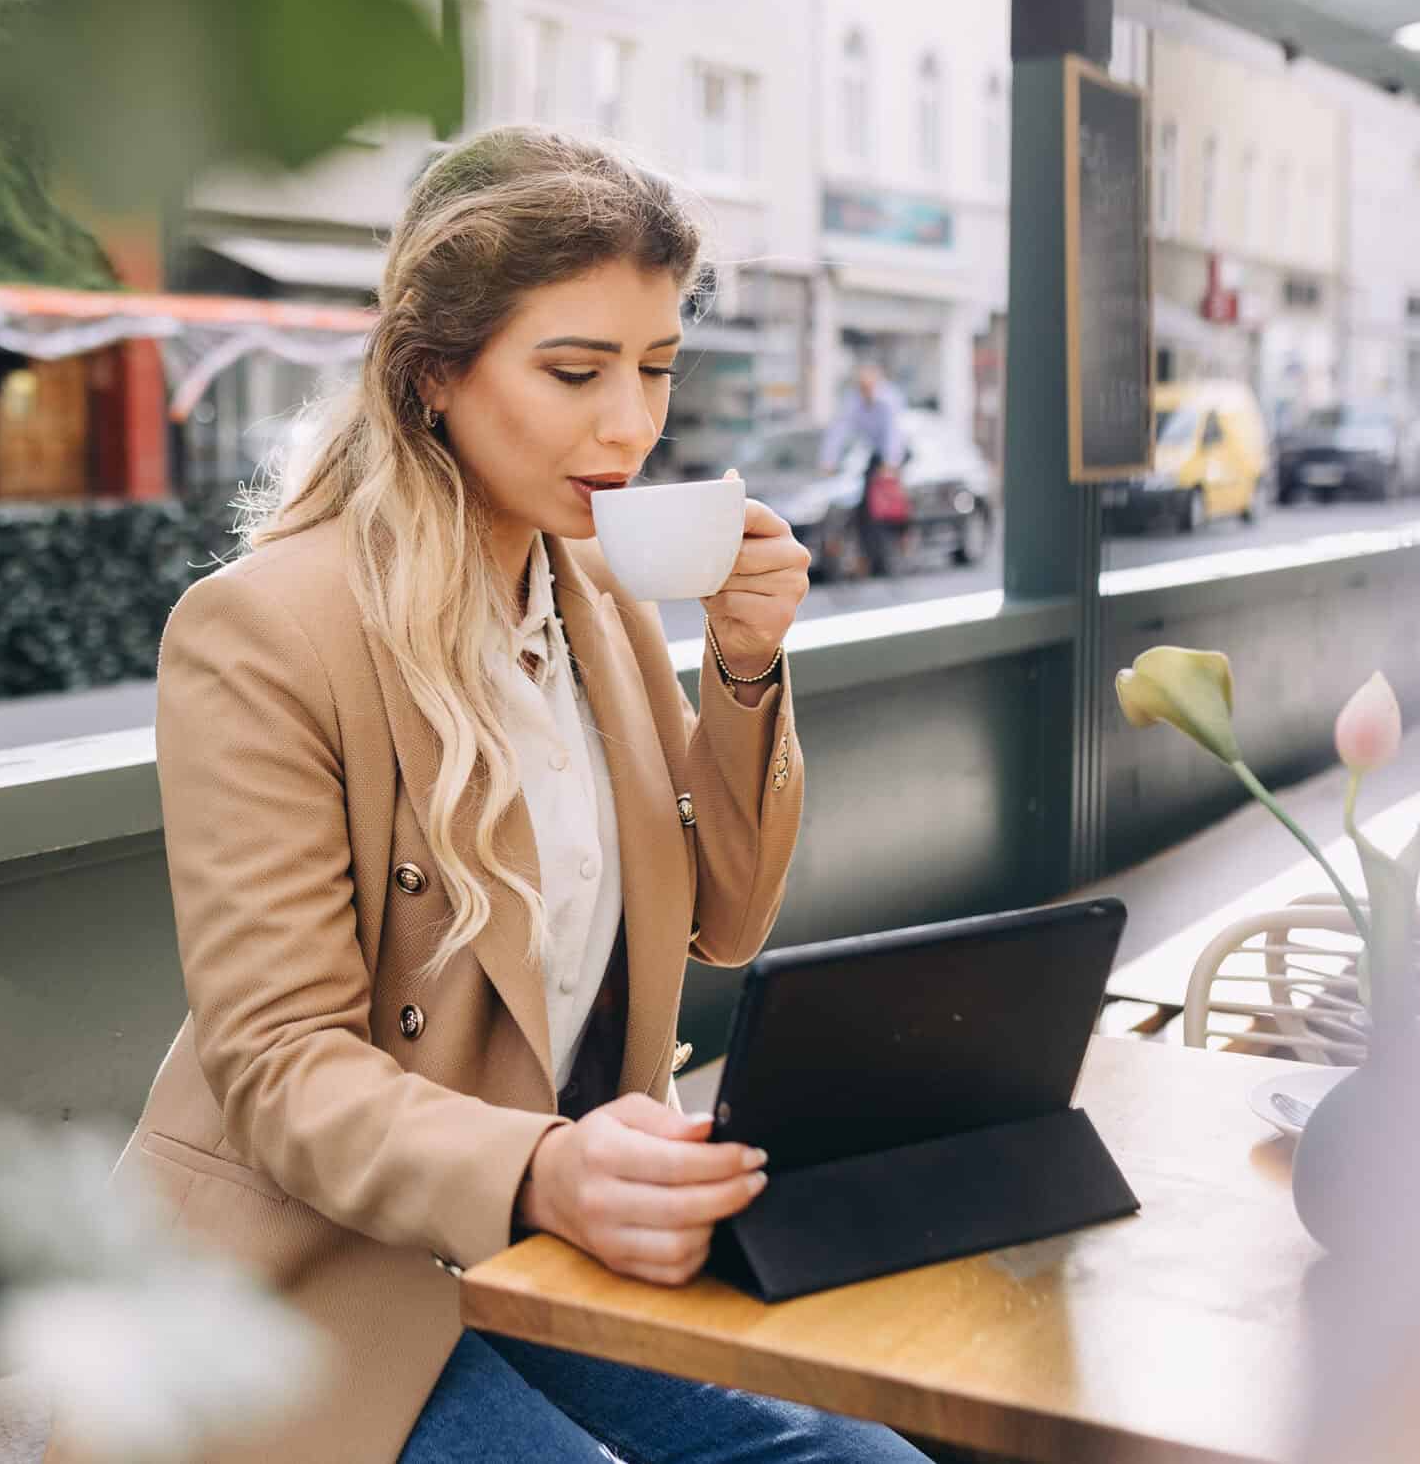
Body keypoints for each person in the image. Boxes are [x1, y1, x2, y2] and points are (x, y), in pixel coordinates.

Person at [81, 128, 925, 1464]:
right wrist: (540, 1166)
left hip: (543, 1248)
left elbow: (729, 918)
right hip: (318, 1275)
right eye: (576, 370)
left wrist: (749, 671)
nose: (632, 425)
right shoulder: (263, 632)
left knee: (863, 1455)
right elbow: (279, 1063)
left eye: (656, 369)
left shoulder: (596, 596)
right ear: (433, 377)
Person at [818, 363, 908, 579]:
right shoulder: (853, 402)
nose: (865, 391)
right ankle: (867, 555)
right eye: (861, 387)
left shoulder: (889, 400)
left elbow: (893, 433)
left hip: (897, 451)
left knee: (897, 495)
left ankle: (904, 534)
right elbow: (839, 431)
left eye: (868, 386)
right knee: (864, 501)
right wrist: (828, 460)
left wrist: (890, 463)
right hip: (873, 453)